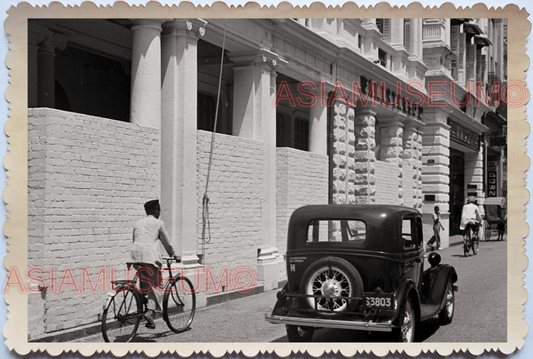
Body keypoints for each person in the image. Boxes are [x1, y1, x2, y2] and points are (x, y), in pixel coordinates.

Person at [130, 199, 178, 329]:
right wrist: (173, 255)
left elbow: (136, 240)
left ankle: (145, 307)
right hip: (149, 257)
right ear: (157, 211)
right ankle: (150, 313)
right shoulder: (159, 223)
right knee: (156, 284)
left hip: (135, 256)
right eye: (159, 211)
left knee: (146, 283)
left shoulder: (137, 223)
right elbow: (166, 242)